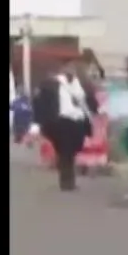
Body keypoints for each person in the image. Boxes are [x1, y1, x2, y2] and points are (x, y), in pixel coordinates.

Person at [31, 61, 98, 191]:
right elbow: (39, 103)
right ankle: (67, 182)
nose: (71, 71)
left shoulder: (81, 85)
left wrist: (94, 107)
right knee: (65, 151)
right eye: (68, 68)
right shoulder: (51, 84)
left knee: (74, 149)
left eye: (73, 68)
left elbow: (91, 101)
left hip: (78, 122)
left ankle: (67, 177)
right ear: (63, 70)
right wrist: (37, 123)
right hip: (61, 121)